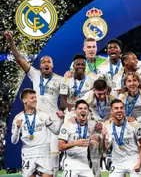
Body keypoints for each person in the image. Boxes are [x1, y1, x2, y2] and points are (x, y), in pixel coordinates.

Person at [5, 30, 63, 177]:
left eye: (48, 62)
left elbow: (65, 100)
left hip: (54, 120)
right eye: (43, 62)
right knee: (39, 157)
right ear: (40, 65)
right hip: (38, 119)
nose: (46, 64)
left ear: (52, 65)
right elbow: (19, 59)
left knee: (54, 157)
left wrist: (65, 113)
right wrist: (11, 42)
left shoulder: (60, 79)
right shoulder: (35, 74)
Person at [11, 88, 63, 177]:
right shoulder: (18, 118)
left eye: (35, 97)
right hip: (28, 154)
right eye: (32, 98)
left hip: (44, 153)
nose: (35, 100)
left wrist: (60, 119)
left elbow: (56, 130)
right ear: (24, 100)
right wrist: (17, 129)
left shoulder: (43, 115)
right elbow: (14, 141)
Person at [102, 99, 141, 177]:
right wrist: (103, 137)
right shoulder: (107, 126)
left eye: (121, 108)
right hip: (117, 162)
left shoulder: (133, 124)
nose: (119, 110)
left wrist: (140, 162)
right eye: (116, 108)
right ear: (111, 111)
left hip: (133, 159)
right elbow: (104, 149)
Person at [81, 79, 115, 177]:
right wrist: (93, 123)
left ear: (106, 90)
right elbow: (82, 112)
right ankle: (97, 174)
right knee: (94, 142)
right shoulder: (88, 97)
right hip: (96, 124)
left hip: (110, 123)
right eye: (99, 94)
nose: (102, 96)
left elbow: (119, 110)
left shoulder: (113, 97)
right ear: (94, 90)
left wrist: (109, 122)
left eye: (104, 93)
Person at [58, 100, 99, 177]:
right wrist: (75, 143)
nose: (83, 110)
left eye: (85, 108)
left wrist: (94, 141)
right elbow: (60, 147)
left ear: (88, 111)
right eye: (80, 108)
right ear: (75, 111)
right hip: (70, 163)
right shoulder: (67, 125)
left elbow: (100, 132)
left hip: (84, 164)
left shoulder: (92, 125)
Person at [60, 54, 97, 120]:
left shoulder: (92, 77)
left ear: (85, 66)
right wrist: (69, 106)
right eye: (78, 64)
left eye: (82, 64)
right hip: (72, 110)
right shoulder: (66, 79)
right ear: (73, 66)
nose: (80, 66)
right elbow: (62, 99)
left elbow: (100, 87)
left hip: (86, 109)